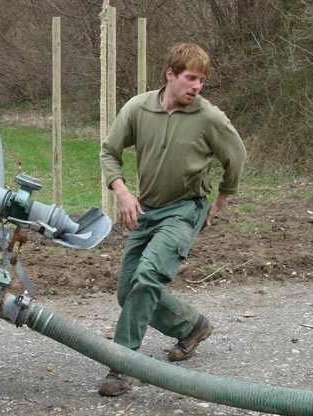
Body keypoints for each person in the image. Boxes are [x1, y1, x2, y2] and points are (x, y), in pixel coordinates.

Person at [98, 42, 246, 397]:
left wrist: (222, 199)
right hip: (147, 209)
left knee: (147, 277)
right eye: (190, 78)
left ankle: (122, 365)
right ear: (170, 75)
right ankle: (192, 326)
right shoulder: (138, 108)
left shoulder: (208, 117)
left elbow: (236, 156)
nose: (197, 86)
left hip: (184, 210)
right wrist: (122, 192)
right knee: (127, 291)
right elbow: (109, 152)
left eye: (202, 81)